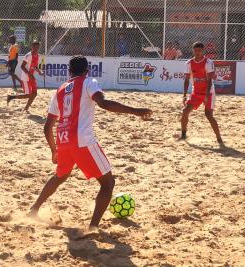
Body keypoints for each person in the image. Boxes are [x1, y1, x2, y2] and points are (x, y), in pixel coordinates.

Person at [28, 55, 152, 230]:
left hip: (62, 140)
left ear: (69, 72)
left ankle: (34, 209)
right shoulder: (88, 82)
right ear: (87, 71)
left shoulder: (60, 90)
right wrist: (135, 111)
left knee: (60, 177)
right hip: (82, 140)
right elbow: (103, 103)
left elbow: (47, 126)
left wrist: (53, 150)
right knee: (108, 184)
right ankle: (93, 227)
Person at [180, 42, 223, 145]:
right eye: (195, 51)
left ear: (202, 51)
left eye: (199, 51)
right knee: (185, 111)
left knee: (208, 115)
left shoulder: (208, 62)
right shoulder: (189, 63)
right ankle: (183, 135)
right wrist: (185, 95)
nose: (197, 53)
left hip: (209, 92)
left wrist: (207, 96)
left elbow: (209, 81)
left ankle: (219, 139)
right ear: (193, 50)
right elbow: (186, 80)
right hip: (196, 92)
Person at [7, 40, 44, 112]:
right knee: (29, 95)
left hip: (31, 77)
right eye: (35, 47)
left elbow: (35, 66)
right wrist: (29, 74)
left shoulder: (37, 56)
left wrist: (39, 71)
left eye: (37, 47)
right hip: (26, 77)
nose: (36, 48)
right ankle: (11, 97)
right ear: (32, 47)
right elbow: (22, 66)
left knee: (35, 94)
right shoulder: (28, 55)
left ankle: (26, 108)